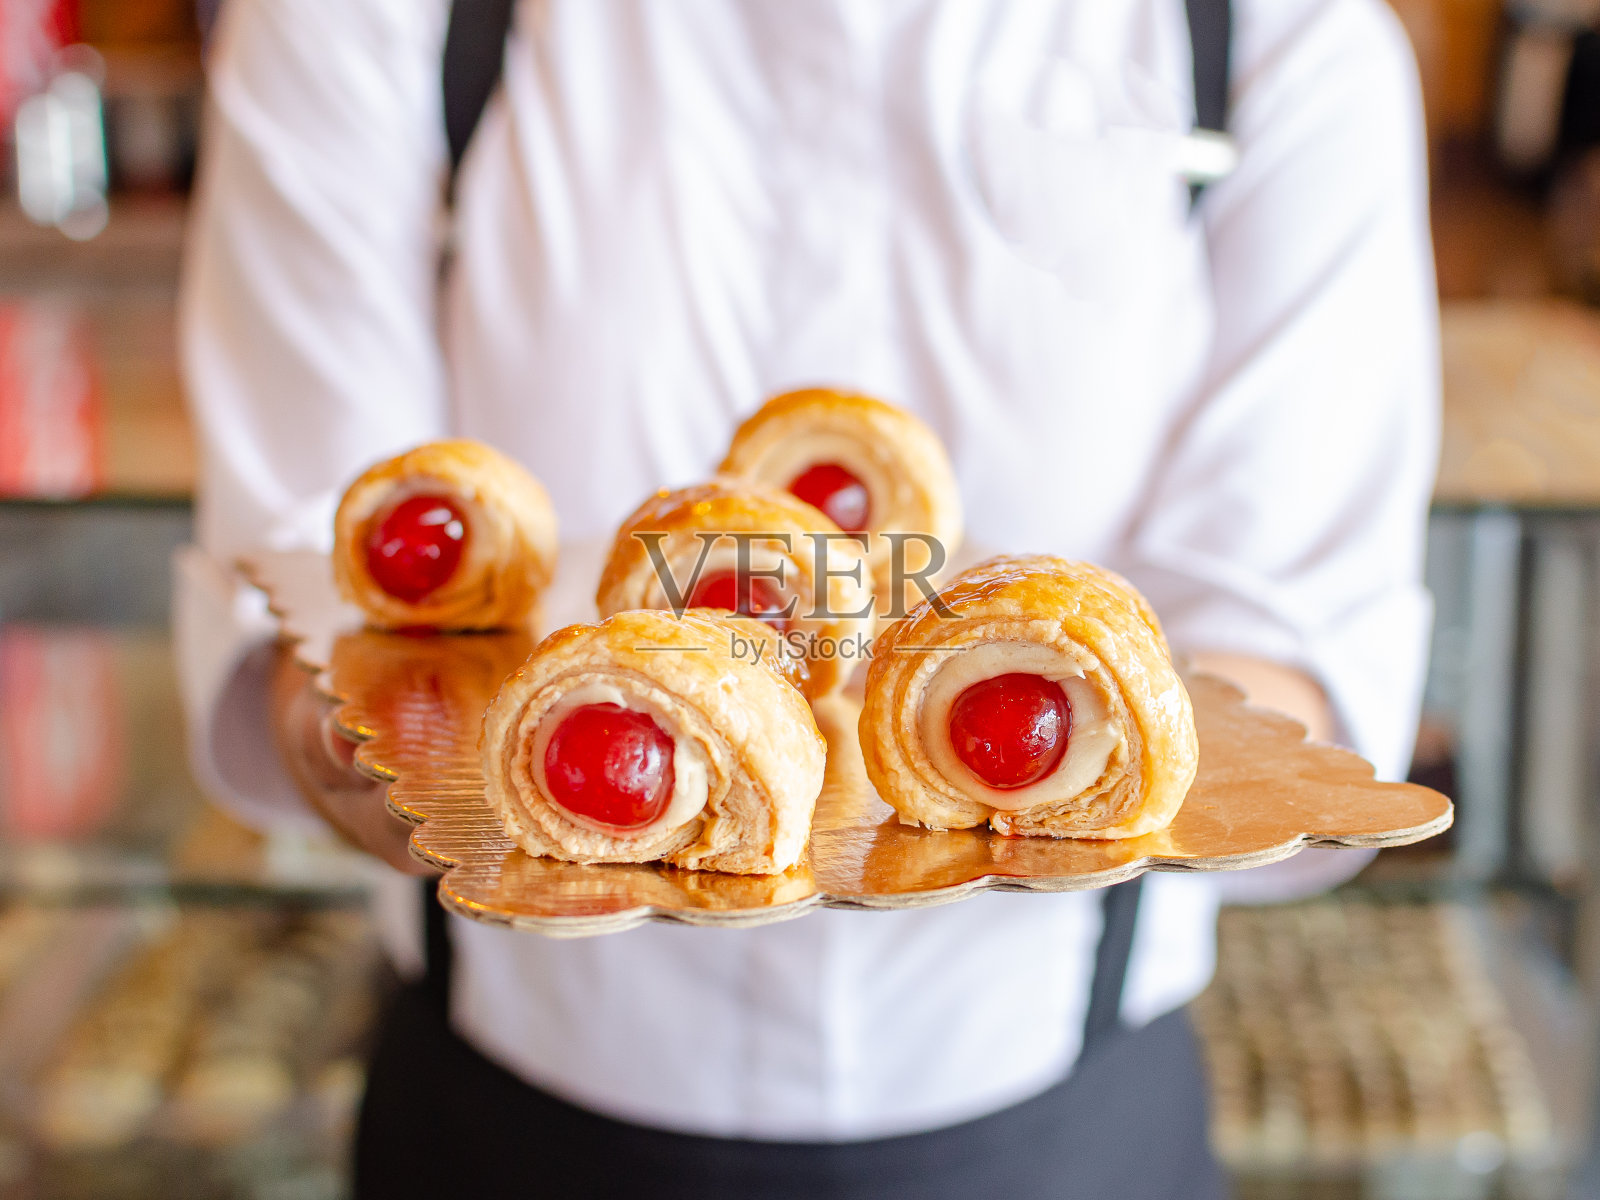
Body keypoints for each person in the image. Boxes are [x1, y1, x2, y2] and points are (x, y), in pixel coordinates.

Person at [174, 0, 1438, 1196]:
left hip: (1061, 1123)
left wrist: (1059, 749)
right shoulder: (369, 21)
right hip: (509, 1114)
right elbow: (305, 569)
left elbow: (1292, 631)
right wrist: (374, 741)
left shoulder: (1273, 39)